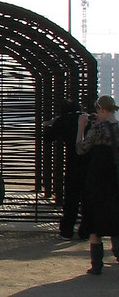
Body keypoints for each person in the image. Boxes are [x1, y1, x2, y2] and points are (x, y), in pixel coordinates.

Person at [76, 95, 119, 275]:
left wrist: (81, 128)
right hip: (115, 178)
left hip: (97, 179)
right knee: (115, 215)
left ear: (102, 110)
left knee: (94, 220)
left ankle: (96, 264)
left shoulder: (99, 128)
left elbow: (81, 149)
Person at [43, 99, 89, 239]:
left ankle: (67, 230)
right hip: (88, 163)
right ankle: (85, 231)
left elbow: (48, 138)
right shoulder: (87, 118)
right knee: (86, 199)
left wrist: (50, 124)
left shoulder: (63, 120)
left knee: (71, 199)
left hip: (72, 163)